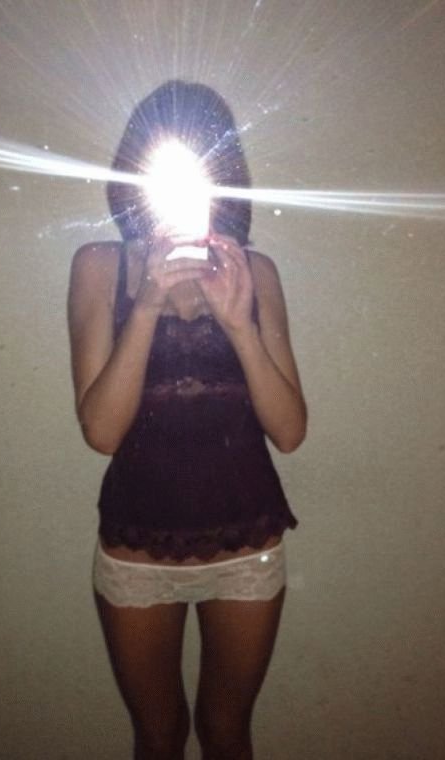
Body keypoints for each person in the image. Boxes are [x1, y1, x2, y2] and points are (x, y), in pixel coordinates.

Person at [68, 80, 306, 760]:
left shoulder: (255, 273)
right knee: (159, 735)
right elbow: (102, 432)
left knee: (228, 732)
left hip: (247, 547)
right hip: (136, 552)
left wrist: (240, 325)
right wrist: (145, 306)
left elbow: (290, 431)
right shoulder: (98, 267)